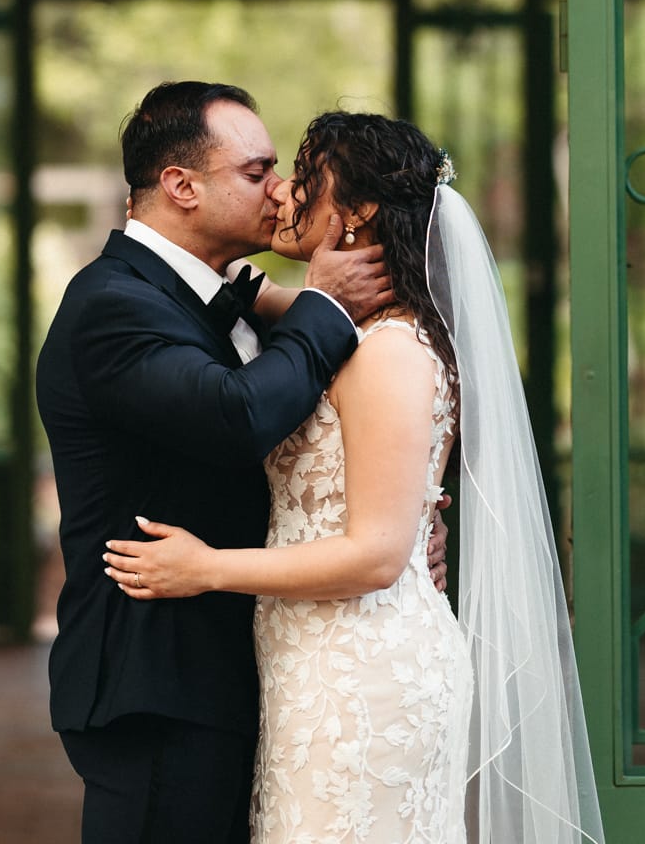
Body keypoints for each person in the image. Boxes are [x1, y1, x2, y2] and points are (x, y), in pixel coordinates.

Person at [106, 110, 605, 844]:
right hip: (312, 658)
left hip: (364, 666)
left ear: (359, 211)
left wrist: (205, 568)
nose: (281, 195)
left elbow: (375, 554)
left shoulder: (388, 354)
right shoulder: (348, 333)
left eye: (303, 180)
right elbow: (263, 308)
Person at [35, 80, 399, 844]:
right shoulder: (111, 304)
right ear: (180, 186)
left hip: (232, 675)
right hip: (157, 684)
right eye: (256, 171)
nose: (280, 192)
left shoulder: (210, 298)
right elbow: (236, 418)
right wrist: (322, 305)